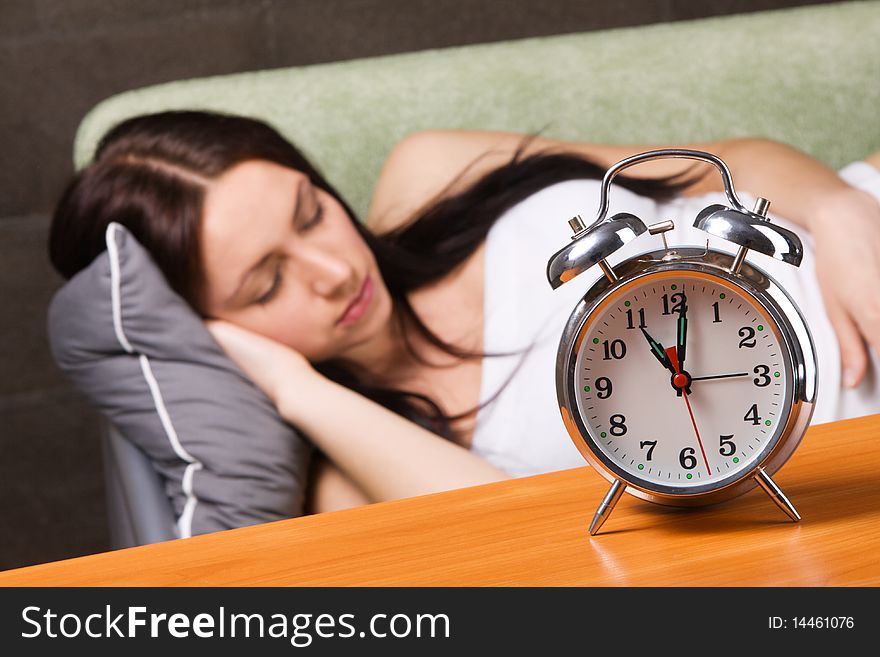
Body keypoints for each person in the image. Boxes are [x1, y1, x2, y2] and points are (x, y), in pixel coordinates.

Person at [49, 111, 880, 514]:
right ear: (211, 331)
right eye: (266, 286)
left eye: (309, 211)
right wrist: (290, 387)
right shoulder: (354, 469)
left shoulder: (431, 174)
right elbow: (534, 554)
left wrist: (840, 211)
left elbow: (726, 165)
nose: (335, 269)